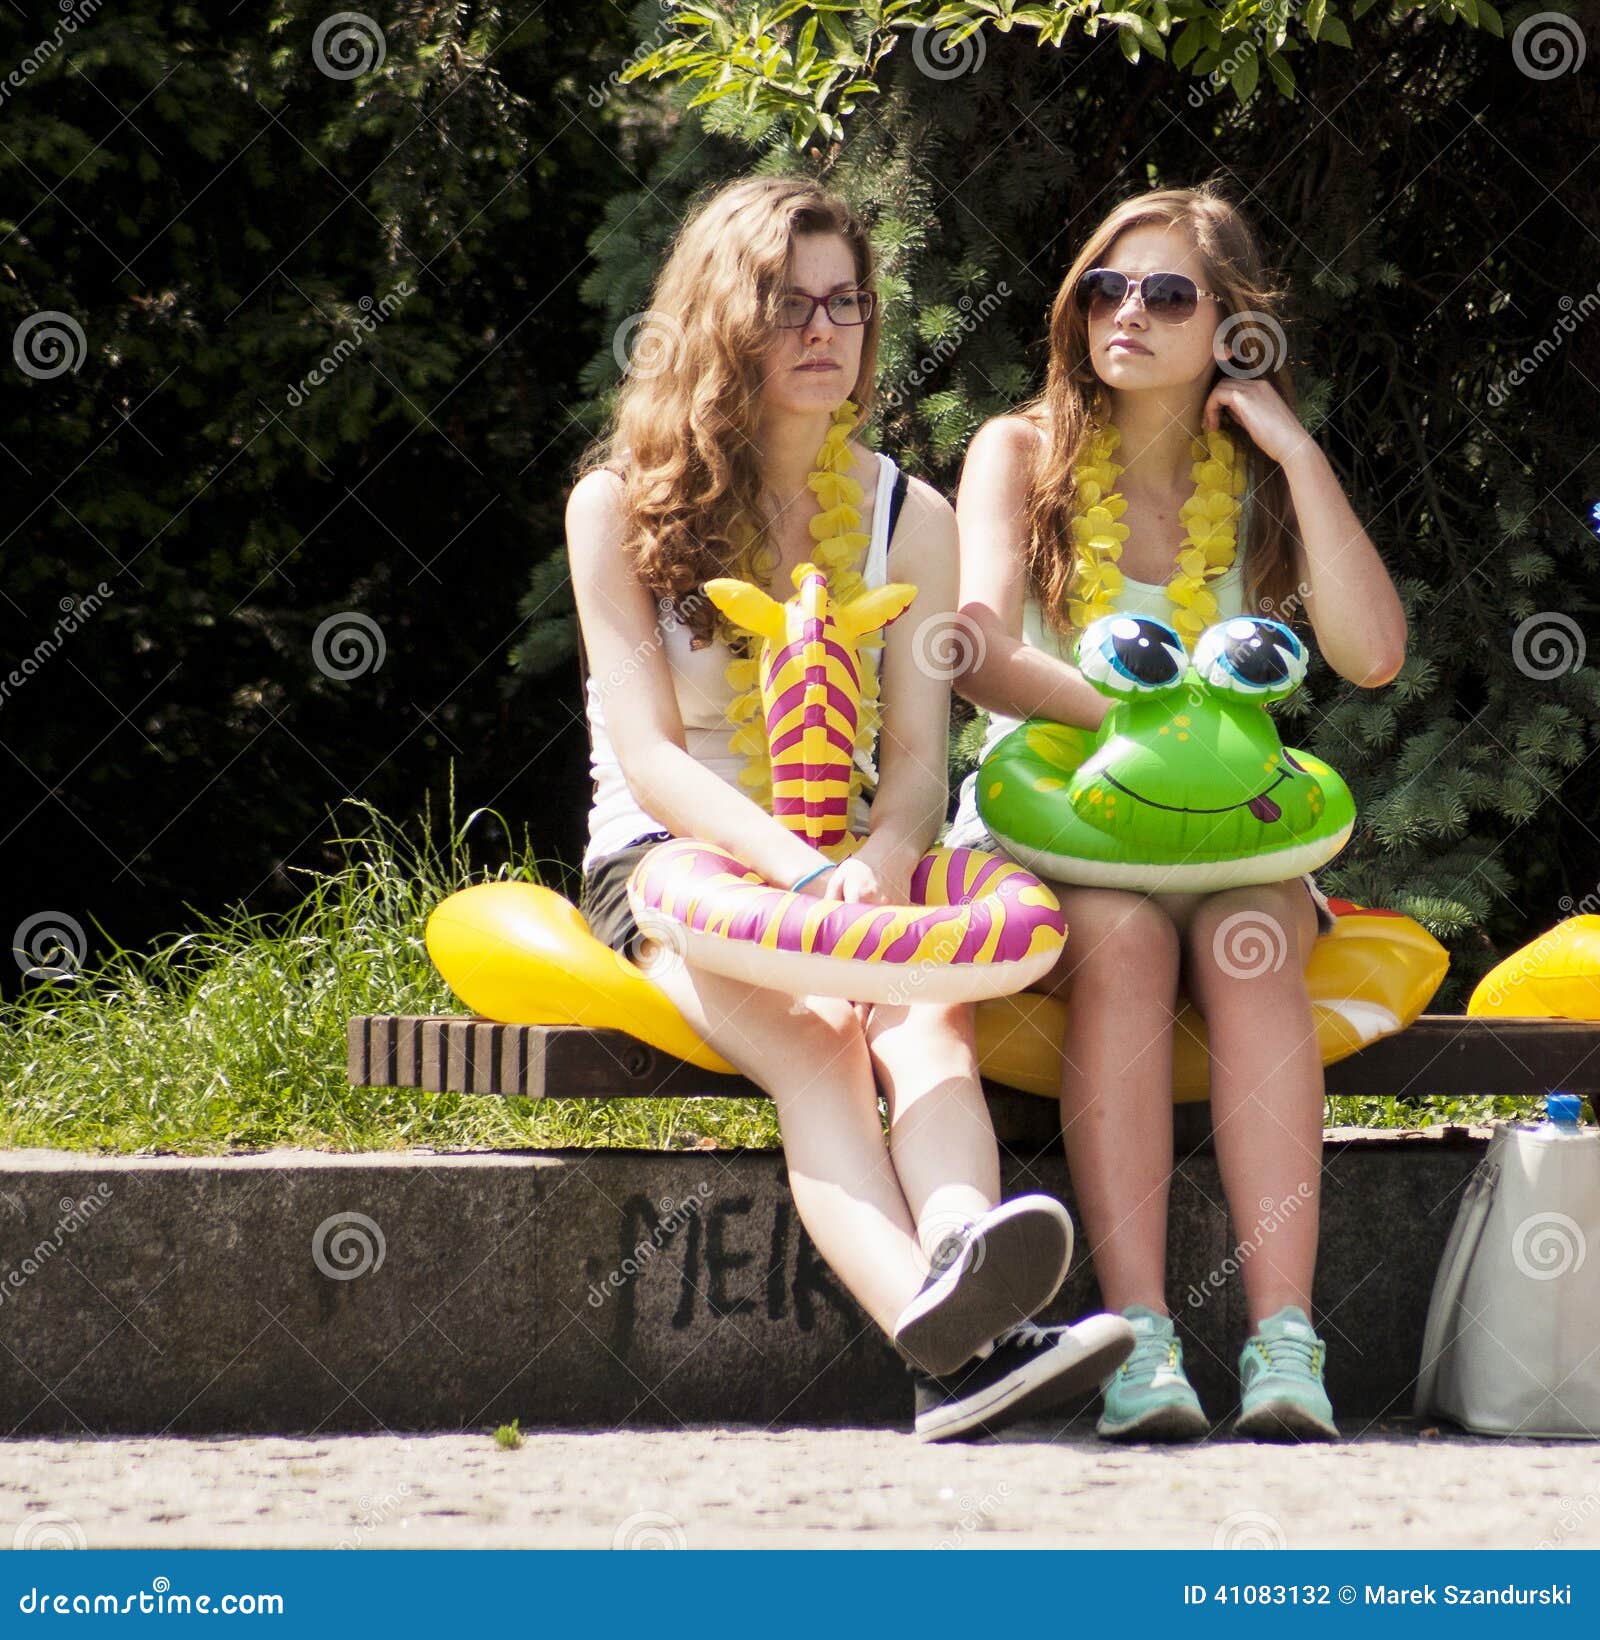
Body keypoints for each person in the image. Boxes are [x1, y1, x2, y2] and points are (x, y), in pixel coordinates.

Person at [565, 175, 1134, 1443]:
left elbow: (920, 765)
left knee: (930, 1023)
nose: (826, 331)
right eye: (789, 305)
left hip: (843, 856)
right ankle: (949, 1342)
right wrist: (796, 875)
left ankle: (963, 1270)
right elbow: (651, 757)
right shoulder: (617, 507)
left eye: (848, 305)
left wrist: (874, 858)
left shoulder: (905, 516)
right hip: (676, 862)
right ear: (724, 320)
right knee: (821, 1037)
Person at [946, 182, 1407, 1442]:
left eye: (1164, 293)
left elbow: (1369, 653)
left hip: (1224, 836)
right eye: (1104, 285)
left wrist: (1295, 452)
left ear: (1230, 328)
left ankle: (1283, 1338)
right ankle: (1140, 1336)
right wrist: (1133, 730)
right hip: (1057, 819)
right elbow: (975, 650)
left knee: (1251, 946)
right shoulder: (1019, 450)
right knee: (1129, 940)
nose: (1124, 313)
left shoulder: (1250, 478)